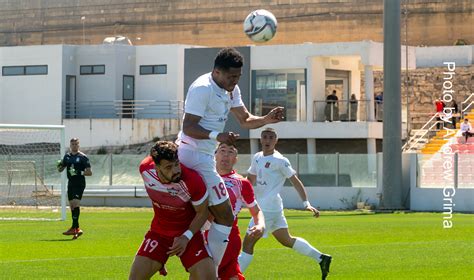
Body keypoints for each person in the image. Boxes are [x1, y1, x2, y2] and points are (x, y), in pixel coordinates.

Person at [176, 47, 284, 267]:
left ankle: (196, 256)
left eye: (238, 76)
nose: (235, 81)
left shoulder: (231, 90)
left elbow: (245, 119)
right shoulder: (202, 89)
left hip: (205, 156)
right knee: (224, 215)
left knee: (211, 214)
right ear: (217, 72)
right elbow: (188, 127)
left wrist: (266, 119)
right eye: (231, 76)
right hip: (191, 154)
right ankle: (211, 269)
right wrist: (219, 135)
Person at [238, 128, 332, 280]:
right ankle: (321, 258)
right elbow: (250, 181)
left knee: (248, 244)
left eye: (271, 137)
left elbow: (295, 181)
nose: (267, 140)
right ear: (260, 140)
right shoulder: (257, 157)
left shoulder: (280, 160)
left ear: (276, 140)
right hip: (272, 207)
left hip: (266, 209)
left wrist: (306, 203)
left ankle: (233, 276)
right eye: (265, 137)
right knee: (286, 240)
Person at [129, 141, 215, 280]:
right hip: (159, 234)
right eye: (168, 167)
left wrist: (186, 237)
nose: (175, 170)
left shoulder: (192, 180)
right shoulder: (145, 169)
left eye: (176, 164)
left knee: (208, 277)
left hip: (188, 234)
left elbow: (203, 212)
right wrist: (158, 258)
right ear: (157, 167)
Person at [214, 142, 265, 280]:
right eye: (222, 150)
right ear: (215, 155)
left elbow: (256, 211)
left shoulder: (242, 183)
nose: (225, 154)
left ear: (236, 159)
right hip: (202, 236)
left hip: (228, 238)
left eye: (230, 152)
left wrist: (260, 224)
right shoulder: (203, 177)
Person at [57, 138, 92, 240]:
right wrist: (59, 165)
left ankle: (75, 228)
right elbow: (61, 169)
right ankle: (75, 228)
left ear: (78, 145)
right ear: (70, 145)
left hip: (79, 183)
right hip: (71, 183)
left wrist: (79, 172)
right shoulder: (67, 156)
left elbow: (89, 172)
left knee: (76, 203)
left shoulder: (83, 157)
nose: (74, 145)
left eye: (76, 144)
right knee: (72, 205)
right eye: (72, 144)